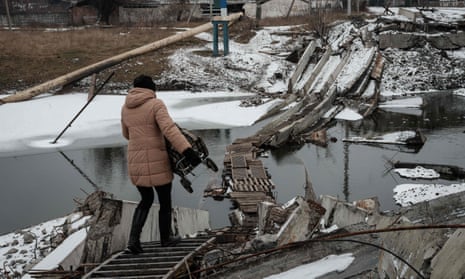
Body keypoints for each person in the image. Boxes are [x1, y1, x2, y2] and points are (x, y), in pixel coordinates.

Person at [121, 74, 201, 254]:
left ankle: (133, 241)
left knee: (145, 200)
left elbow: (126, 135)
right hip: (157, 160)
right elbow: (169, 129)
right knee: (165, 202)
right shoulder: (156, 104)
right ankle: (166, 239)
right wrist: (187, 151)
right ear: (151, 89)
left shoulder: (125, 108)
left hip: (136, 162)